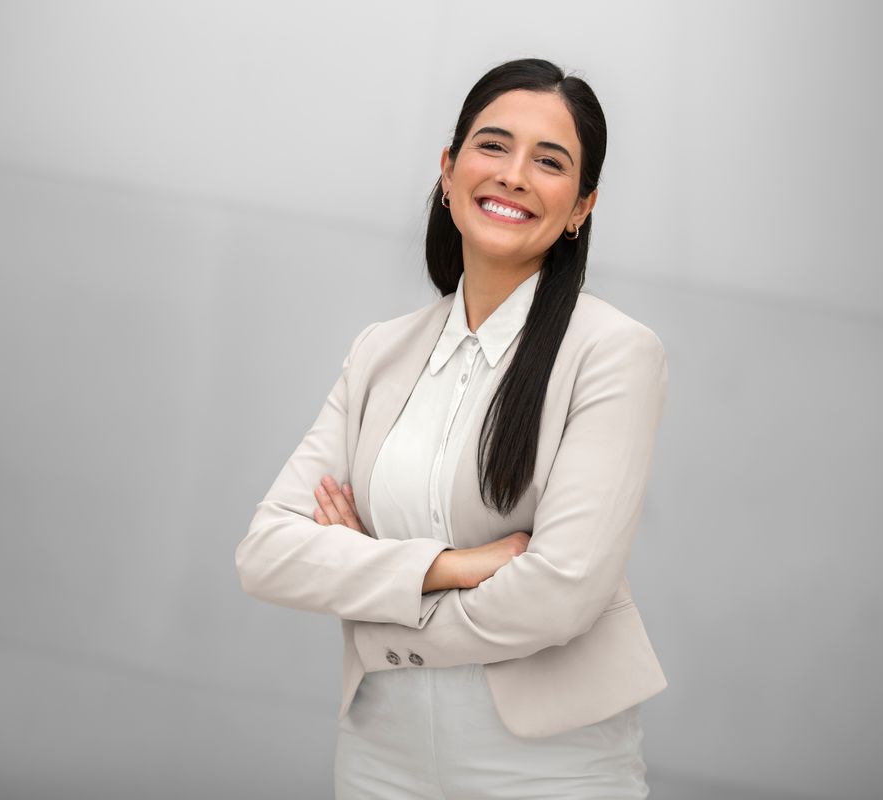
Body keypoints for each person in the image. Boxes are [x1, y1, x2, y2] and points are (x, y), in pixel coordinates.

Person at [235, 58, 669, 799]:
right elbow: (268, 553)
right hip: (380, 757)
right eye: (493, 145)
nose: (514, 174)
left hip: (549, 766)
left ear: (581, 207)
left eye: (550, 161)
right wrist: (446, 565)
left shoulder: (613, 353)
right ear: (449, 168)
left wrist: (371, 601)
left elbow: (561, 594)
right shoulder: (381, 351)